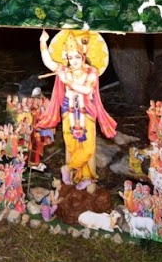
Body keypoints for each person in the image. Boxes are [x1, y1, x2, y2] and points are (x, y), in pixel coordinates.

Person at [35, 29, 117, 185]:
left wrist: (68, 82)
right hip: (69, 111)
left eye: (77, 57)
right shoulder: (64, 70)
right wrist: (43, 42)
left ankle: (69, 168)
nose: (74, 61)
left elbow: (87, 89)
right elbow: (49, 62)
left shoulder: (92, 71)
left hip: (86, 111)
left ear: (83, 56)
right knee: (72, 146)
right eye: (70, 57)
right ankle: (80, 177)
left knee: (88, 148)